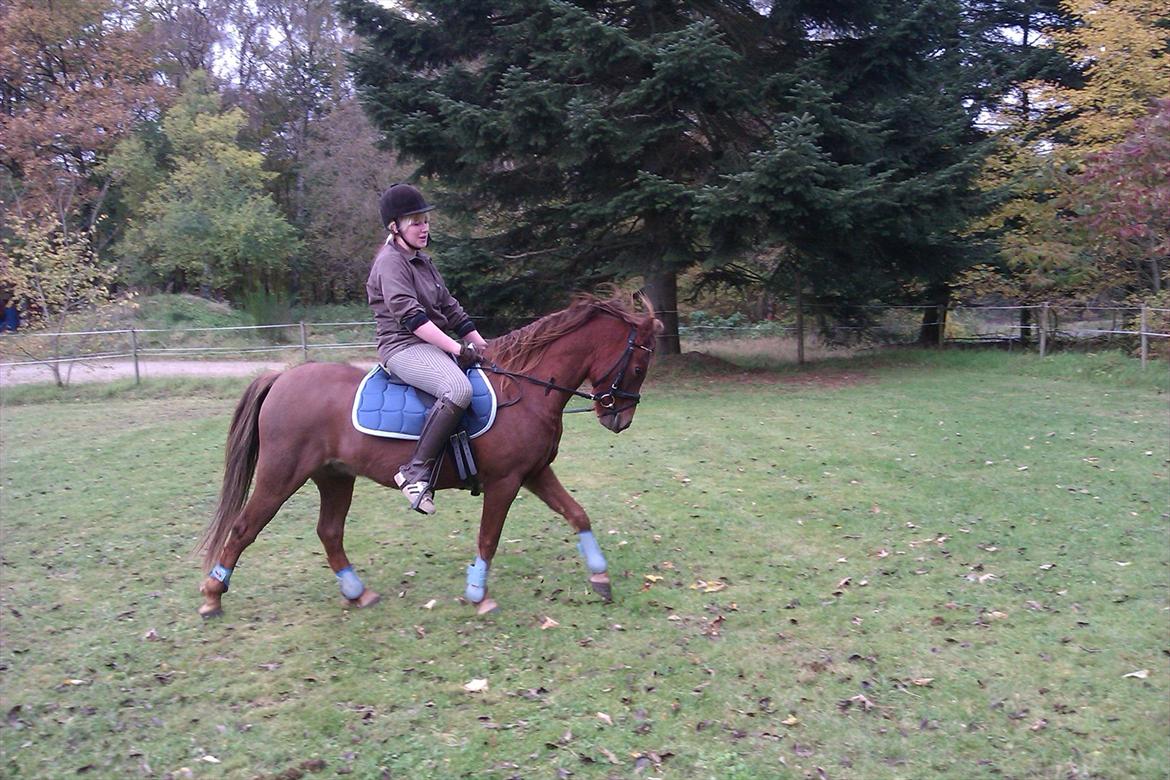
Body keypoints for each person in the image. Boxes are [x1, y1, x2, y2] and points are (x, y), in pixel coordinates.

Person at [367, 183, 489, 515]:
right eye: (415, 222)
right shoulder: (391, 263)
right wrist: (456, 347)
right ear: (395, 227)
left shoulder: (422, 260)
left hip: (430, 345)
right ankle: (414, 473)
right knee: (458, 388)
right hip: (403, 347)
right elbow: (411, 317)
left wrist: (482, 345)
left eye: (425, 221)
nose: (424, 228)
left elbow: (450, 308)